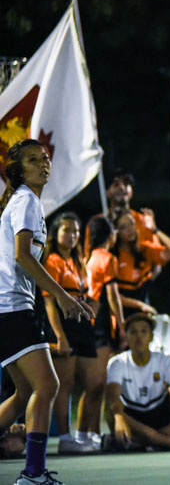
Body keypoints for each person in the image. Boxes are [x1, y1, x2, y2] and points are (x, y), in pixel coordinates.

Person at [0, 139, 93, 485]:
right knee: (49, 384)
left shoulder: (26, 202)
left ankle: (33, 472)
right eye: (34, 160)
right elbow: (23, 257)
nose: (44, 164)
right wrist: (63, 297)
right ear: (19, 170)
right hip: (9, 306)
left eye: (46, 159)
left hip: (10, 306)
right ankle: (33, 474)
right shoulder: (26, 201)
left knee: (25, 392)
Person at [104, 313, 170, 451]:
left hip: (160, 417)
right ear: (126, 336)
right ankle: (168, 442)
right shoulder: (117, 363)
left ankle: (139, 443)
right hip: (133, 417)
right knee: (114, 415)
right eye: (133, 332)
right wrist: (119, 418)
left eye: (143, 331)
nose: (139, 336)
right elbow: (113, 397)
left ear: (151, 336)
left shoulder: (166, 361)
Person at [41, 212, 100, 453]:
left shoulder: (78, 261)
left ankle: (83, 434)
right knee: (64, 384)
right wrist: (59, 336)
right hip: (64, 326)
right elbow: (49, 302)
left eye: (76, 231)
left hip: (83, 327)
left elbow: (87, 293)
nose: (72, 236)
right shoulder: (52, 260)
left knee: (94, 383)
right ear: (56, 233)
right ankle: (65, 438)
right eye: (67, 230)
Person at [86, 215, 125, 443]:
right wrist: (121, 326)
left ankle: (91, 432)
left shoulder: (86, 258)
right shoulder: (107, 257)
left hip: (87, 321)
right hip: (100, 322)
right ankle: (90, 433)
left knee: (93, 384)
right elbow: (112, 296)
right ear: (111, 236)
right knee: (98, 383)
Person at [111, 209, 170, 319]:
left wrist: (155, 230)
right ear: (117, 232)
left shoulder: (144, 249)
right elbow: (112, 296)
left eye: (131, 223)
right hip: (119, 312)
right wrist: (140, 305)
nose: (129, 229)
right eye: (123, 227)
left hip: (142, 307)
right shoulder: (113, 256)